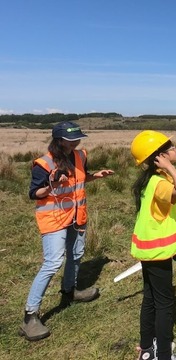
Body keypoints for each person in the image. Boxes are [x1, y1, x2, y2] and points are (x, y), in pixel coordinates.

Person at [21, 121, 114, 341]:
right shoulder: (44, 164)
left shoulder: (80, 156)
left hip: (76, 216)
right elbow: (35, 193)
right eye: (71, 140)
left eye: (78, 138)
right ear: (59, 140)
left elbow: (81, 178)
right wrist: (52, 182)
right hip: (53, 218)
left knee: (76, 255)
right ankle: (30, 316)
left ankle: (69, 292)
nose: (76, 142)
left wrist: (96, 176)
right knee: (53, 262)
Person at [130, 130, 176, 360]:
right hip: (157, 252)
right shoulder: (160, 182)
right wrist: (170, 167)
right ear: (160, 156)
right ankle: (165, 356)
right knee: (164, 304)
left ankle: (147, 350)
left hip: (149, 250)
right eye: (171, 147)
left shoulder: (153, 179)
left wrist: (168, 168)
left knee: (150, 298)